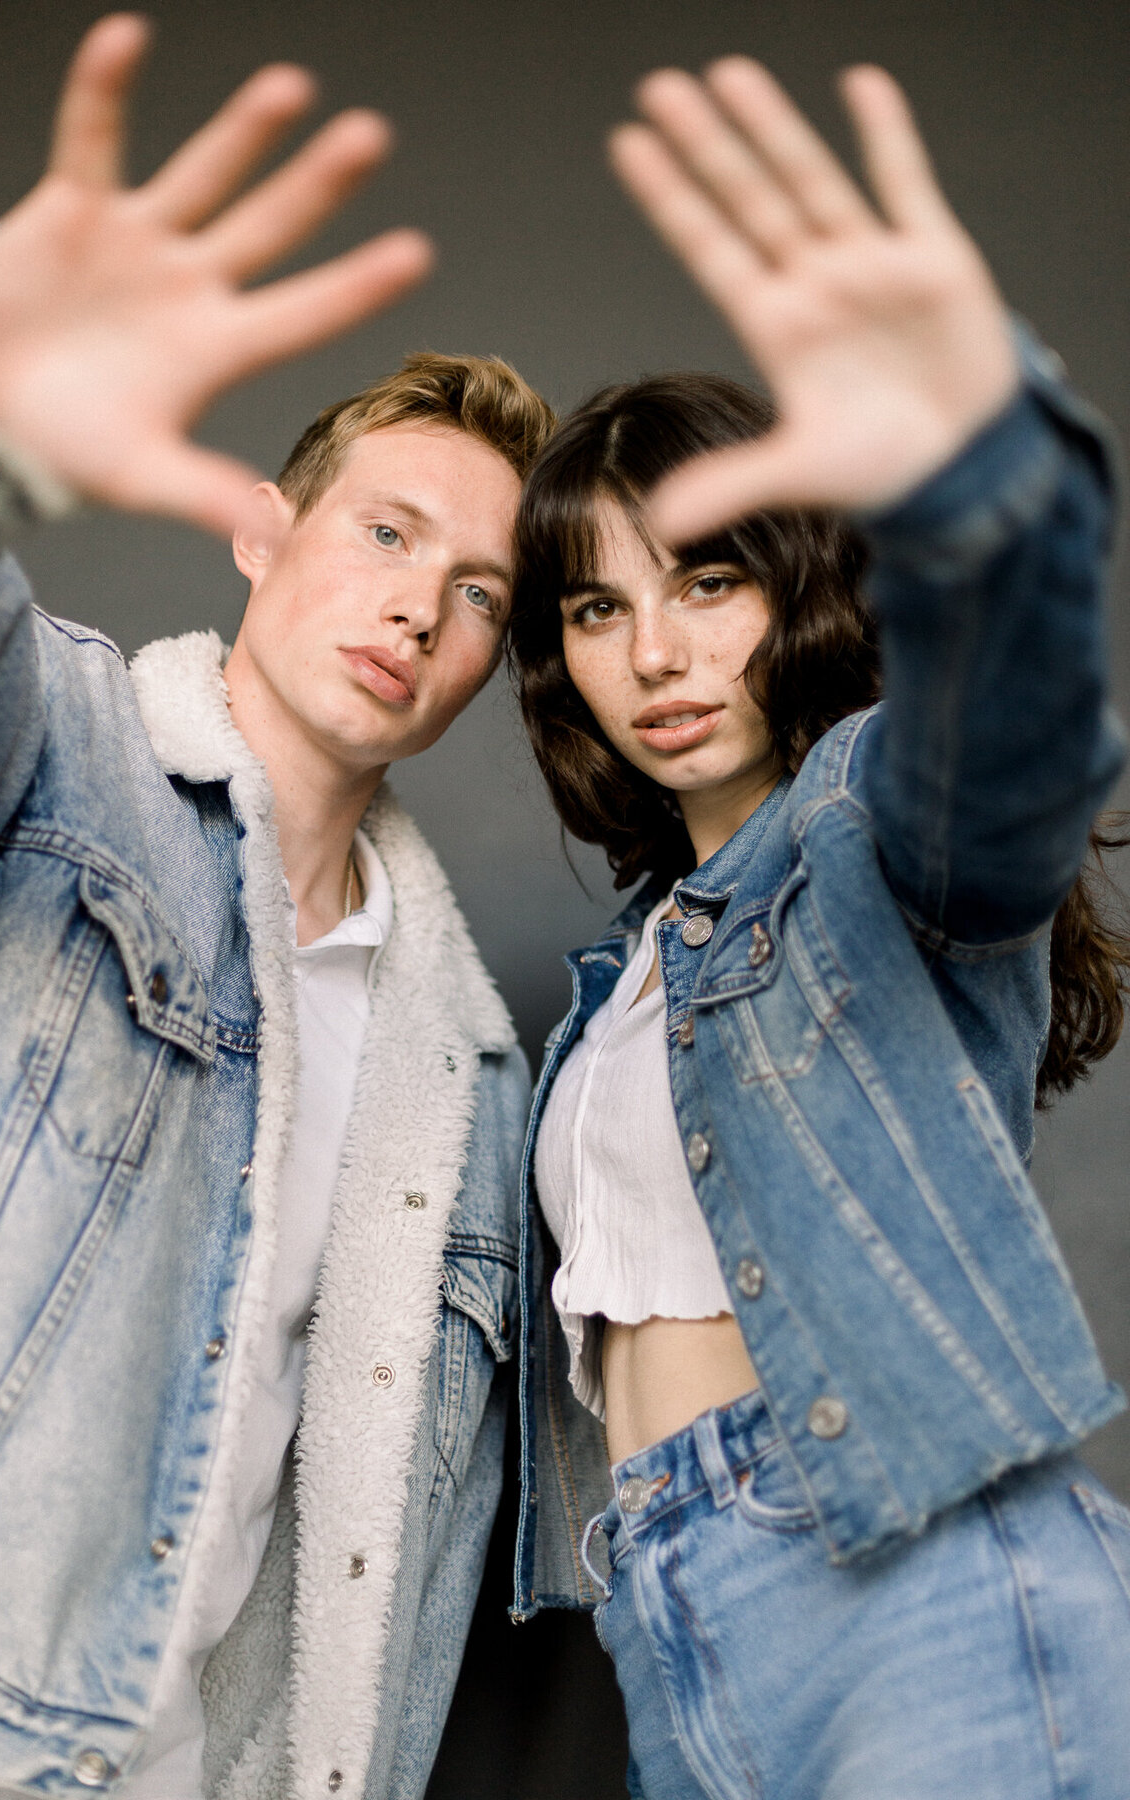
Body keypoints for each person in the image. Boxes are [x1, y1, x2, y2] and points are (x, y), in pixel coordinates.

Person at [0, 16, 552, 1800]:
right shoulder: (45, 746)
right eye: (383, 534)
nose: (422, 606)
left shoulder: (471, 1062)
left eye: (481, 591)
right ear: (262, 533)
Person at [509, 53, 1130, 1800]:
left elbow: (1014, 736)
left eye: (709, 578)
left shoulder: (867, 817)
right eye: (600, 605)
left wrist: (977, 481)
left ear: (798, 584)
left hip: (913, 1578)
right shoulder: (623, 980)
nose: (659, 654)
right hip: (676, 1616)